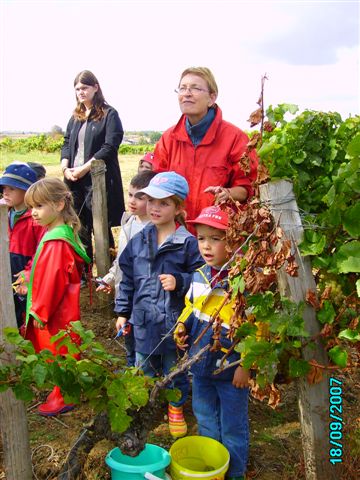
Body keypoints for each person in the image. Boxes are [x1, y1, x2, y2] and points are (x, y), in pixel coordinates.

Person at [114, 171, 203, 437]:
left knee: (174, 369)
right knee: (144, 366)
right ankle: (148, 405)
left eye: (163, 203)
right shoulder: (140, 240)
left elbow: (202, 280)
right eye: (151, 200)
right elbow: (127, 278)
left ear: (178, 208)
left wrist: (180, 281)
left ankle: (175, 407)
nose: (154, 207)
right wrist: (122, 311)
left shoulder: (187, 243)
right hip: (143, 319)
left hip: (175, 321)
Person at [174, 206, 250, 480]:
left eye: (216, 239)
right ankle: (212, 466)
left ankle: (235, 472)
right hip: (200, 367)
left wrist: (246, 363)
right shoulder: (199, 275)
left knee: (233, 424)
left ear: (235, 241)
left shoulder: (244, 281)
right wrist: (182, 327)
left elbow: (258, 328)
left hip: (231, 371)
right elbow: (190, 308)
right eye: (202, 238)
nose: (206, 246)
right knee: (204, 416)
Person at [152, 66, 258, 223]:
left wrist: (228, 193)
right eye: (182, 88)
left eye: (195, 88)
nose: (187, 93)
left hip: (216, 236)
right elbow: (158, 184)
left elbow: (249, 188)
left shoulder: (236, 139)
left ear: (212, 98)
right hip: (176, 233)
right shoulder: (168, 139)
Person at [23, 177, 91, 416]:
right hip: (60, 309)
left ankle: (65, 395)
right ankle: (61, 389)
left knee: (59, 349)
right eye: (31, 207)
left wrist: (40, 310)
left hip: (55, 311)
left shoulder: (56, 242)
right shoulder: (57, 233)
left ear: (59, 205)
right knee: (62, 348)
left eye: (39, 206)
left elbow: (53, 279)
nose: (33, 213)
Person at [60, 70, 125, 261]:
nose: (81, 92)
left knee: (100, 224)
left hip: (97, 178)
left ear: (95, 88)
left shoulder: (109, 114)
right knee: (79, 224)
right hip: (74, 178)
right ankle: (85, 271)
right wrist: (65, 168)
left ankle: (107, 272)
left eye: (85, 87)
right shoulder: (75, 116)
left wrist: (85, 168)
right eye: (77, 88)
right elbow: (66, 143)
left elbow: (110, 146)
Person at [97, 170, 156, 366]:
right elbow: (121, 261)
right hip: (125, 297)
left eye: (141, 197)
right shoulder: (129, 222)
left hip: (143, 301)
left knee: (144, 345)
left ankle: (145, 378)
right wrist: (110, 278)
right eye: (130, 194)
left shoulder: (156, 230)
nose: (132, 201)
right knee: (128, 339)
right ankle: (132, 371)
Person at [0, 163, 46, 328]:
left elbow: (42, 250)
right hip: (6, 271)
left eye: (12, 188)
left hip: (25, 273)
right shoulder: (4, 213)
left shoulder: (36, 218)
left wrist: (29, 272)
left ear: (26, 191)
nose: (6, 192)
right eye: (4, 187)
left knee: (24, 313)